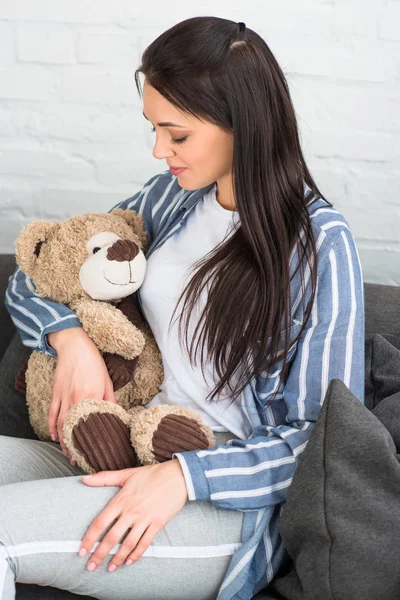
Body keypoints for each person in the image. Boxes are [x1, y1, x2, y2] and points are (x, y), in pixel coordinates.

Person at [0, 15, 365, 600]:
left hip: (215, 497)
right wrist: (67, 339)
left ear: (241, 126)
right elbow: (42, 270)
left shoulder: (320, 246)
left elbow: (325, 440)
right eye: (153, 128)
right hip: (118, 439)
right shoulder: (169, 197)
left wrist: (184, 476)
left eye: (176, 134)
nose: (157, 149)